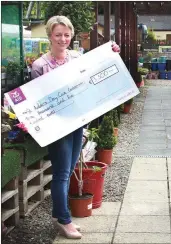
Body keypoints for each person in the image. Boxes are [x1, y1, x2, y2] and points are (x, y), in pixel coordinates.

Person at [31, 16, 120, 239]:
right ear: (50, 36)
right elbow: (36, 101)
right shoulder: (40, 65)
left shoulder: (77, 58)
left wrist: (112, 53)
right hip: (57, 128)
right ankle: (64, 219)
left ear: (71, 36)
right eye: (58, 34)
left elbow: (96, 73)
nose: (63, 39)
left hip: (77, 123)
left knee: (68, 171)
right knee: (61, 174)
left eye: (67, 35)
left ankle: (58, 215)